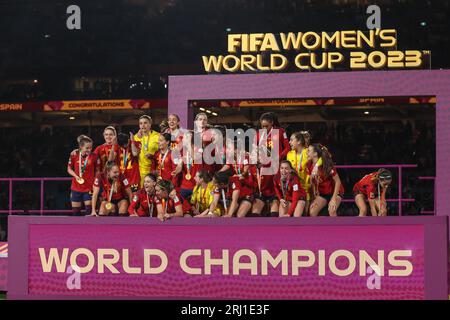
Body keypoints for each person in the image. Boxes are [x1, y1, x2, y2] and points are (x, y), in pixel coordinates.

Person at [307, 144, 344, 217]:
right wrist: (315, 198)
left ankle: (336, 228)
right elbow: (313, 183)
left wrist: (333, 199)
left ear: (315, 153)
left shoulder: (326, 165)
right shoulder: (309, 164)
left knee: (332, 210)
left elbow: (338, 181)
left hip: (335, 192)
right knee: (312, 211)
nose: (306, 153)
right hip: (323, 193)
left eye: (308, 151)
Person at [286, 131, 318, 215]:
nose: (289, 142)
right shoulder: (289, 154)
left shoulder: (308, 152)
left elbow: (324, 156)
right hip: (293, 189)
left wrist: (317, 166)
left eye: (291, 140)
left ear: (299, 141)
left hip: (307, 190)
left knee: (305, 215)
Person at [67, 135, 98, 216]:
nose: (89, 150)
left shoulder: (94, 156)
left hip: (89, 187)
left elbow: (98, 170)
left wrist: (96, 181)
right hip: (76, 186)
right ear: (81, 147)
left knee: (89, 210)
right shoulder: (74, 154)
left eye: (91, 147)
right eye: (87, 148)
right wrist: (76, 176)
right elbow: (69, 169)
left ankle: (90, 229)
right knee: (76, 212)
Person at [133, 115, 160, 188]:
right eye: (141, 123)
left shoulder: (157, 136)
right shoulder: (136, 137)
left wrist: (153, 156)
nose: (143, 125)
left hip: (153, 170)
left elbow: (163, 152)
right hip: (140, 171)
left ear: (150, 124)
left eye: (145, 123)